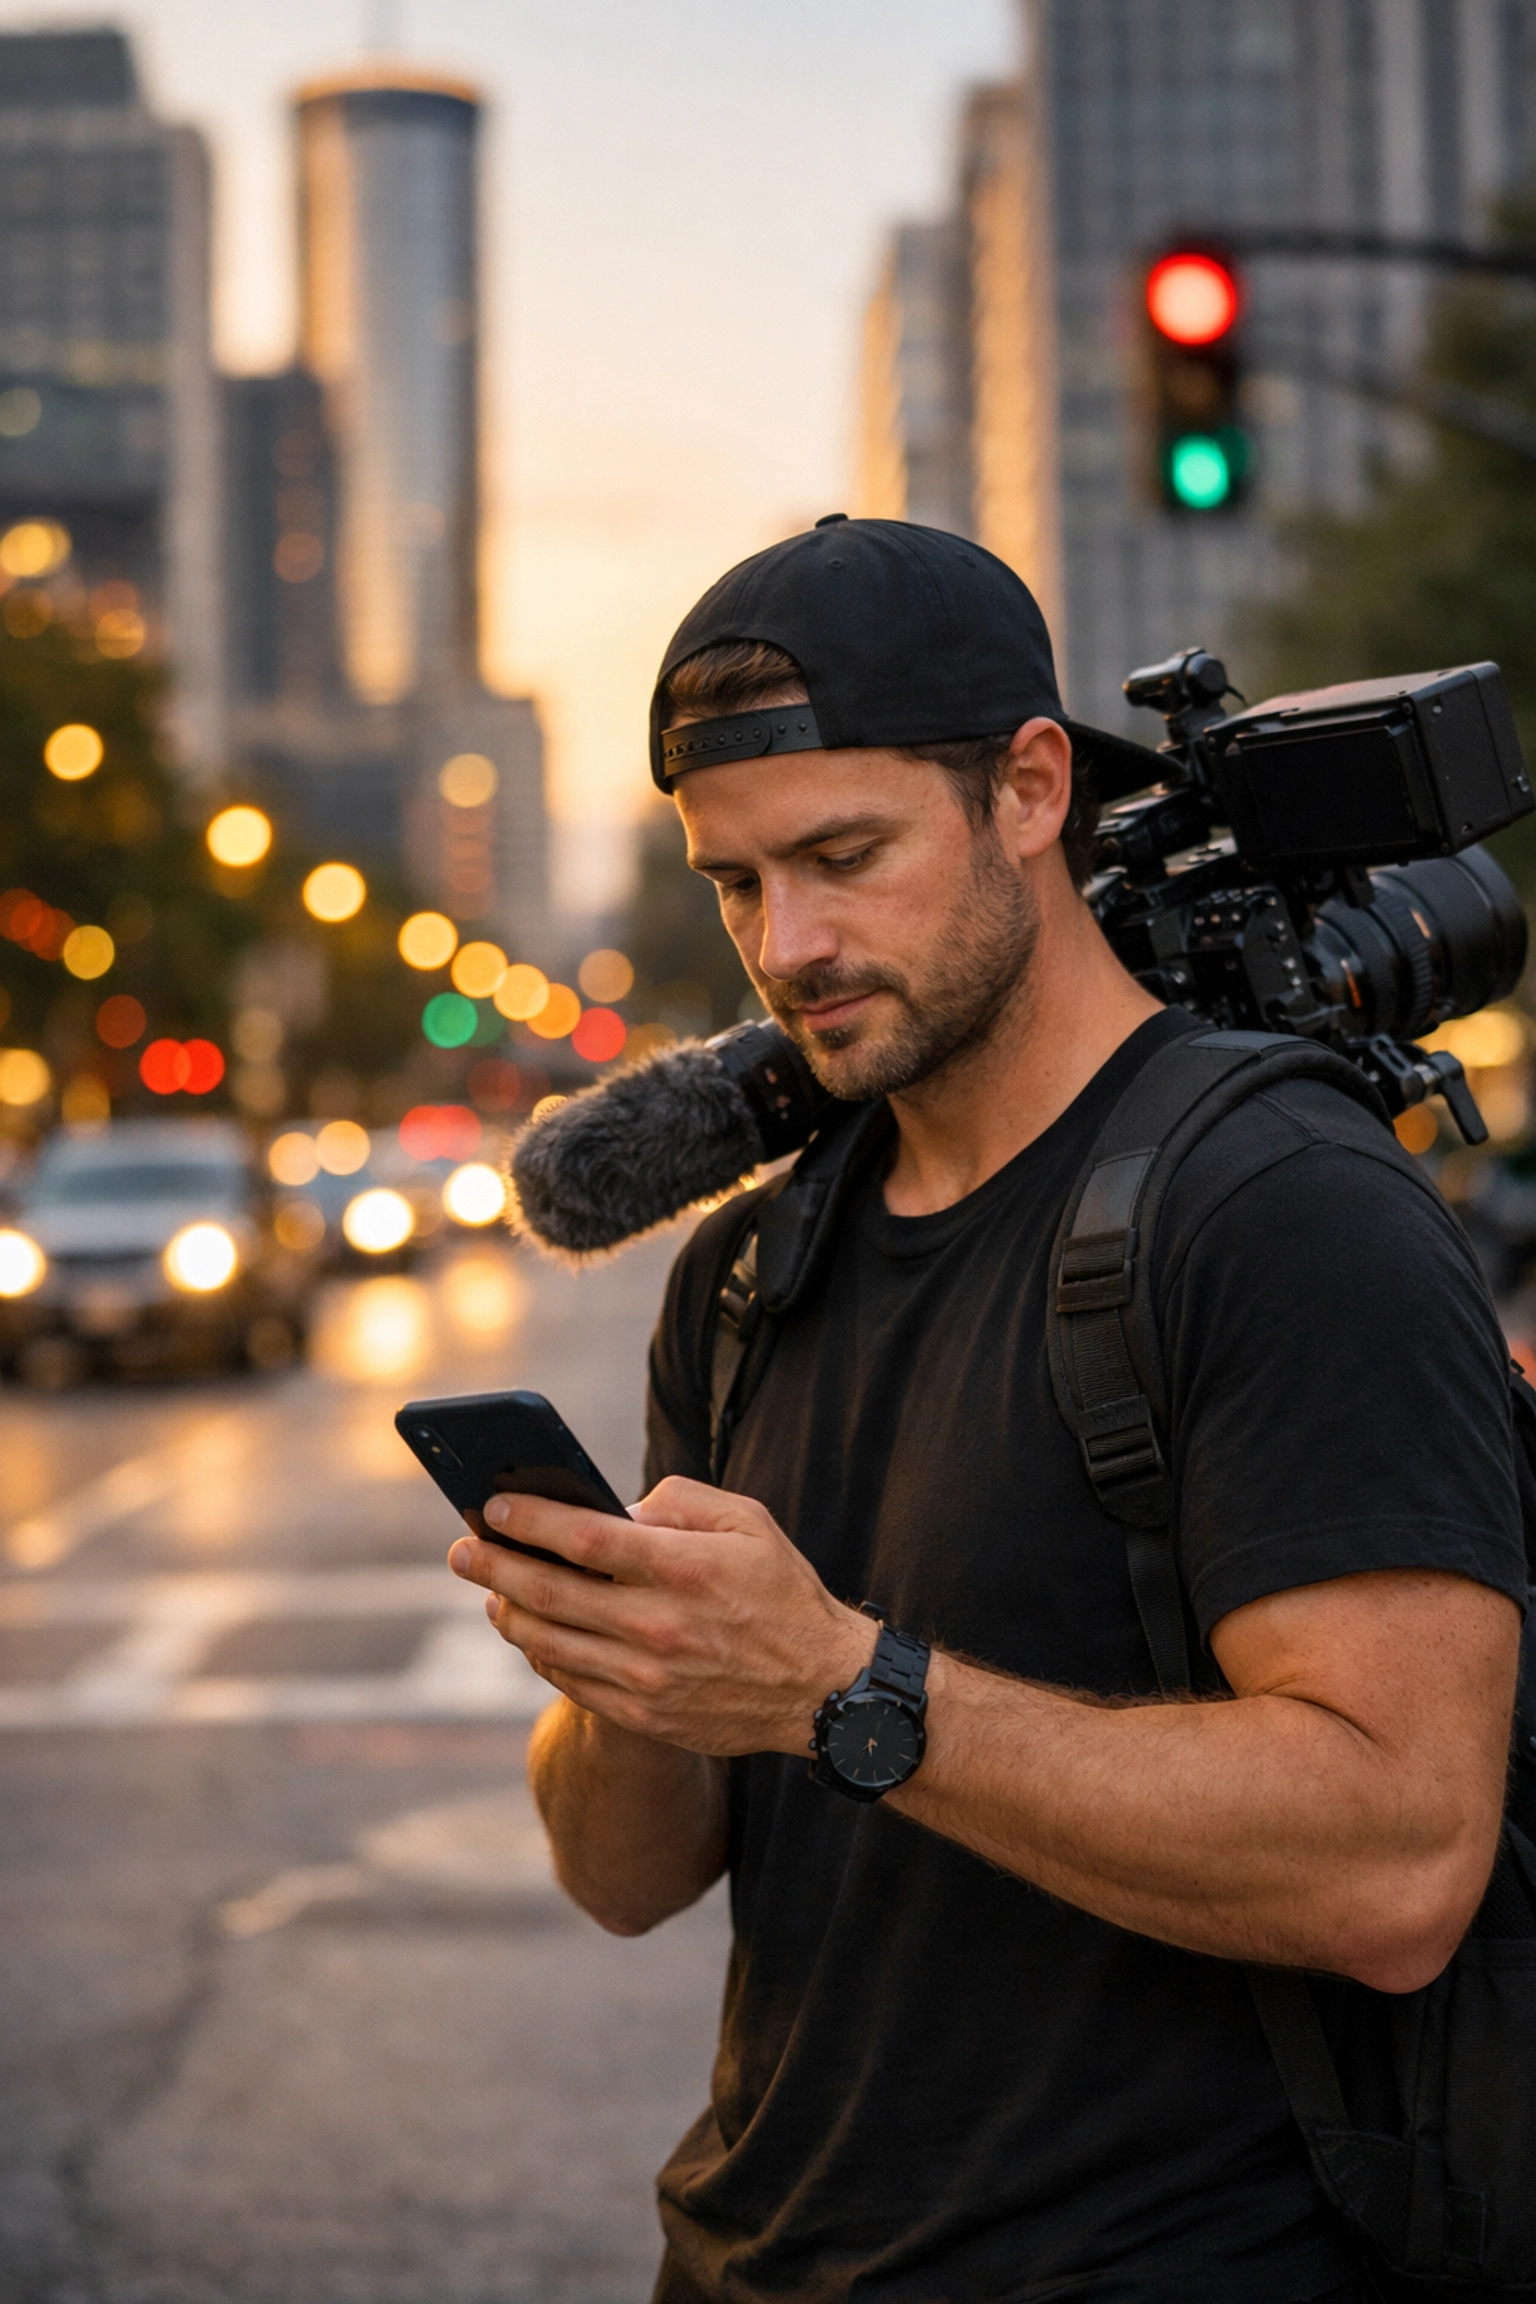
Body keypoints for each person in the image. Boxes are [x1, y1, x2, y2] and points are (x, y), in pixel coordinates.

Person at [449, 519, 1526, 2304]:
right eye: (735, 883)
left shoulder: (1282, 1207)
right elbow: (624, 1881)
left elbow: (1401, 1859)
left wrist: (838, 1688)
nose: (789, 944)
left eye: (844, 856)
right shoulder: (745, 1274)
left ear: (1029, 791)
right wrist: (634, 1675)